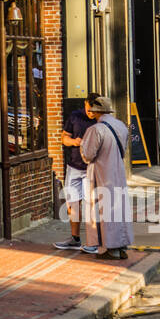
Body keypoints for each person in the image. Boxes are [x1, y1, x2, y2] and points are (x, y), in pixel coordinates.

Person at [79, 95, 134, 260]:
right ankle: (121, 245)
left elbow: (88, 154)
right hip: (118, 171)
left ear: (96, 111)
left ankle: (108, 248)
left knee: (102, 210)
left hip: (101, 172)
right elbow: (123, 149)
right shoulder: (121, 126)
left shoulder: (95, 130)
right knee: (119, 208)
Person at [54, 93, 100, 251]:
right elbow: (64, 138)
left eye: (94, 109)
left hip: (91, 167)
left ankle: (93, 242)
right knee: (72, 203)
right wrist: (74, 141)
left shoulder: (100, 120)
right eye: (89, 108)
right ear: (85, 104)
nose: (91, 112)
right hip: (73, 166)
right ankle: (75, 239)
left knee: (90, 205)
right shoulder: (75, 116)